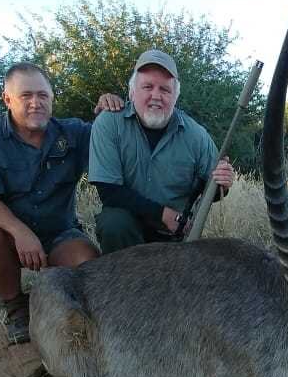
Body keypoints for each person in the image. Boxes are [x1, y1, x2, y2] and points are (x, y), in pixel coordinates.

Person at [0, 63, 123, 344]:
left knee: (87, 263)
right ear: (7, 99)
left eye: (43, 95)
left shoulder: (74, 132)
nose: (35, 103)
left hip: (60, 234)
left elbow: (109, 138)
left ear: (52, 98)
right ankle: (16, 307)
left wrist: (106, 110)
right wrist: (20, 232)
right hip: (9, 237)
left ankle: (60, 305)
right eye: (26, 96)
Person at [88, 49, 235, 253]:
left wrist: (223, 184)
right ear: (132, 92)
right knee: (114, 222)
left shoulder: (197, 135)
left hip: (172, 236)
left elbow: (212, 191)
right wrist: (164, 215)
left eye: (165, 90)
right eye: (147, 87)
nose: (156, 96)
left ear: (176, 96)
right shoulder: (108, 122)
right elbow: (109, 192)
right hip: (129, 230)